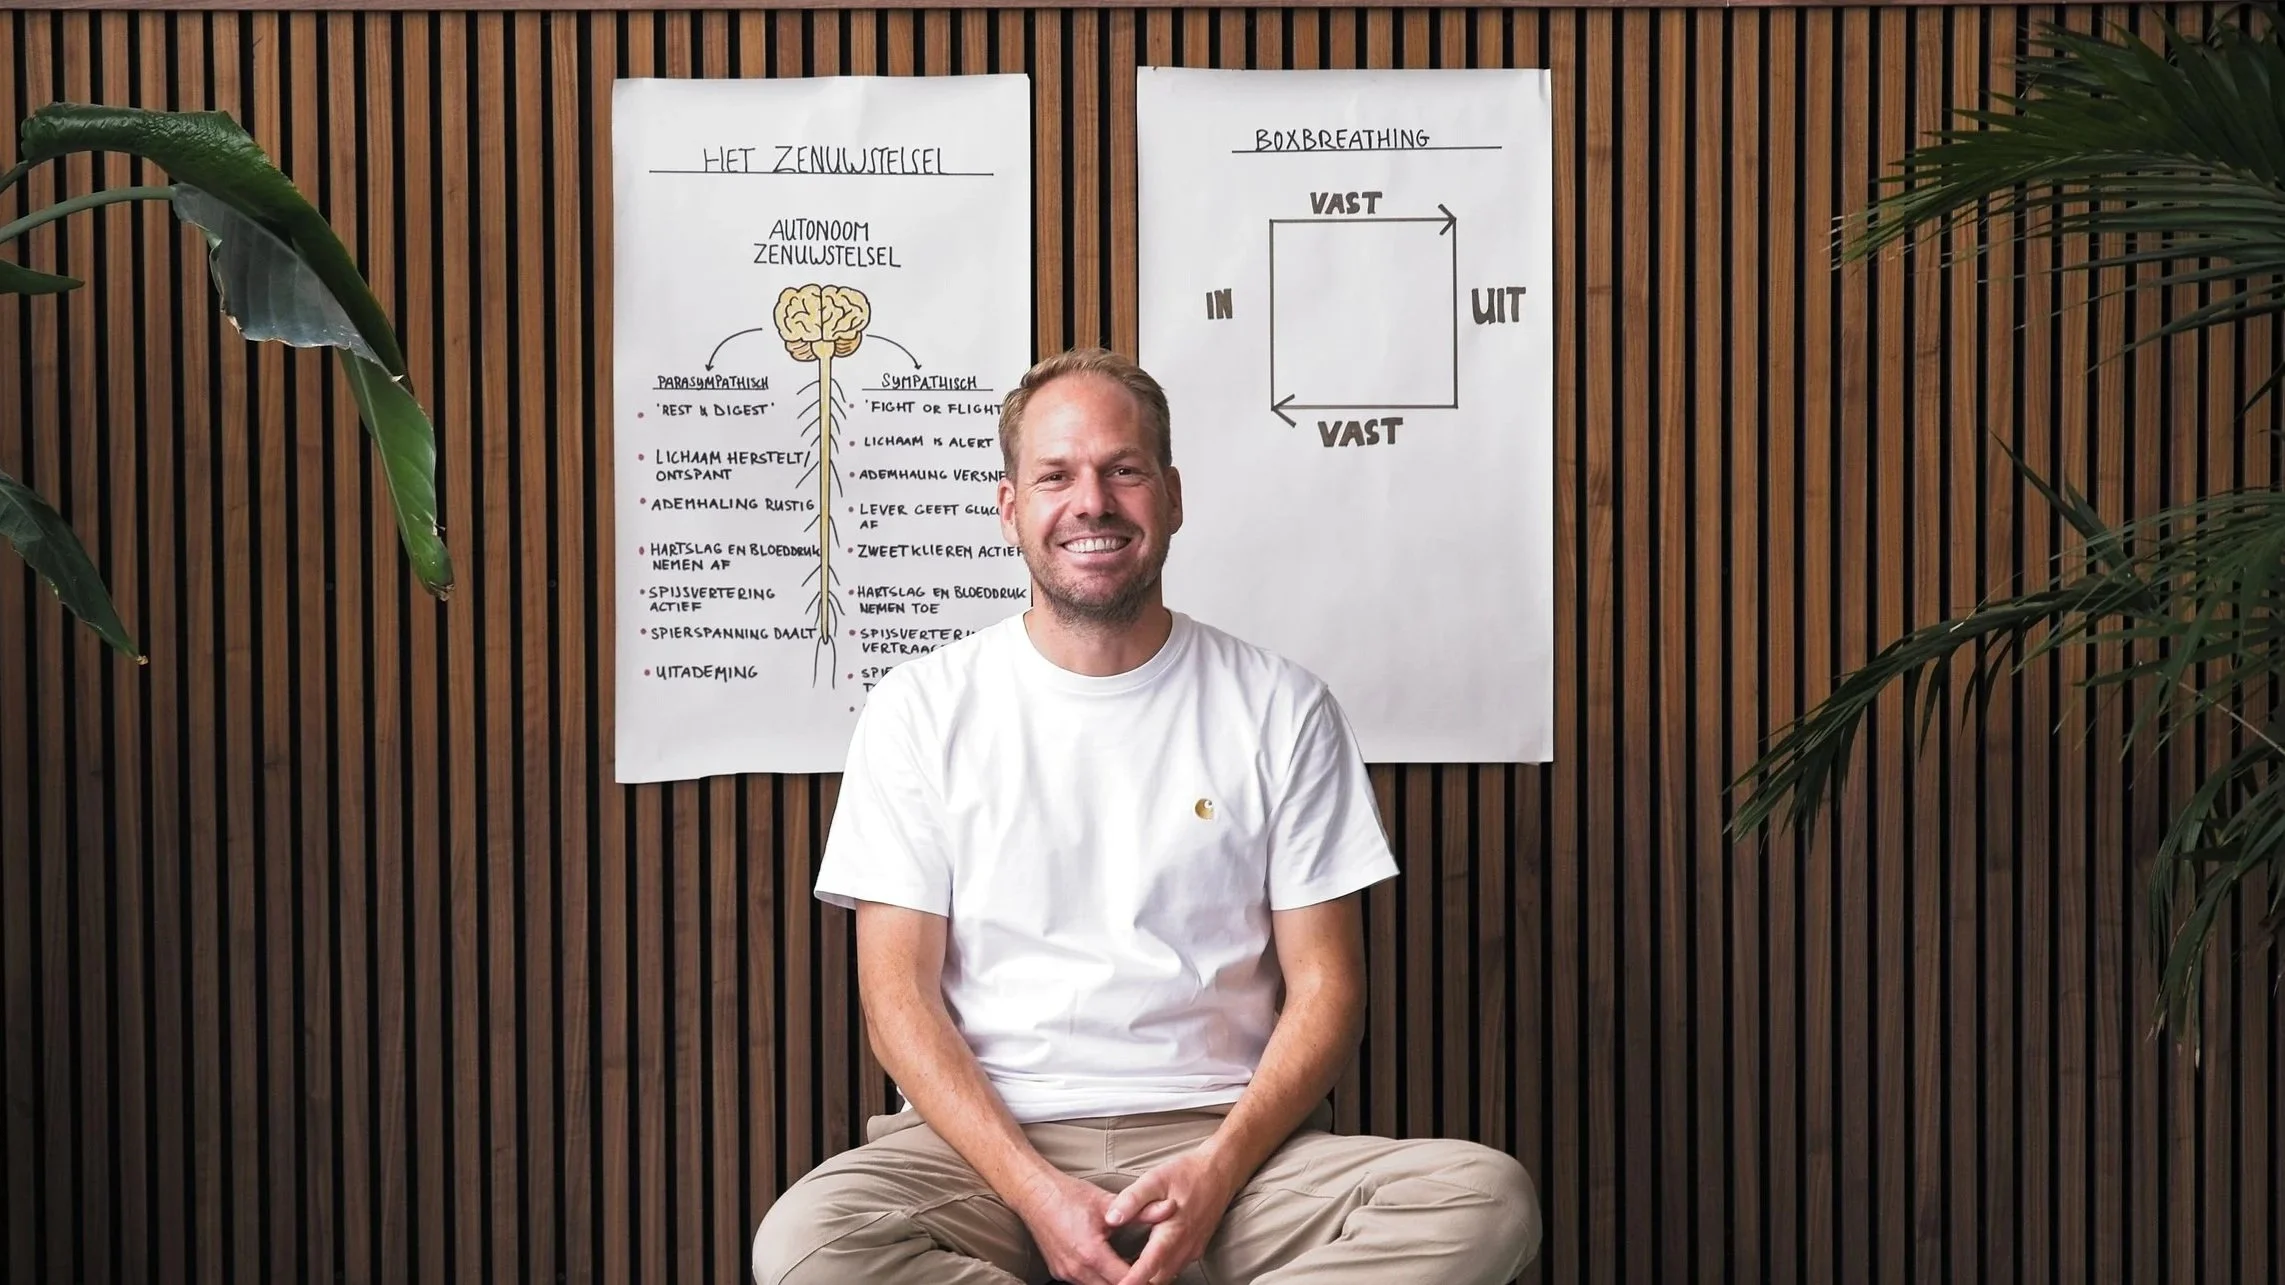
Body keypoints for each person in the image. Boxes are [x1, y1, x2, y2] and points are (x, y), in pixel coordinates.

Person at [751, 348, 1541, 1285]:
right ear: (1010, 508)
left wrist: (1218, 1170)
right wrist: (1036, 1193)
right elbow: (897, 1002)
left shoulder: (1280, 706)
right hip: (982, 1153)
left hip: (1228, 1148)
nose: (1091, 502)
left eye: (1122, 470)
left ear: (1170, 495)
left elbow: (1327, 987)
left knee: (1484, 1197)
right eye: (1055, 476)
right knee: (808, 1244)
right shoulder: (918, 708)